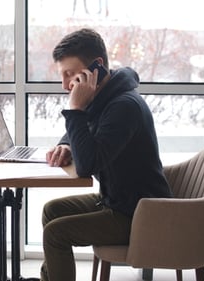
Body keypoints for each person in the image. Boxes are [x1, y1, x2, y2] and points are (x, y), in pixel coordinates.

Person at [41, 28, 172, 281]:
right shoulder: (106, 96)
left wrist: (75, 108)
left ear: (96, 66)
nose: (65, 84)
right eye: (62, 75)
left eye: (69, 74)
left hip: (139, 215)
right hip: (119, 201)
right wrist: (66, 144)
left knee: (56, 233)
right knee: (51, 211)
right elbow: (89, 131)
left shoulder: (123, 106)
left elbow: (87, 164)